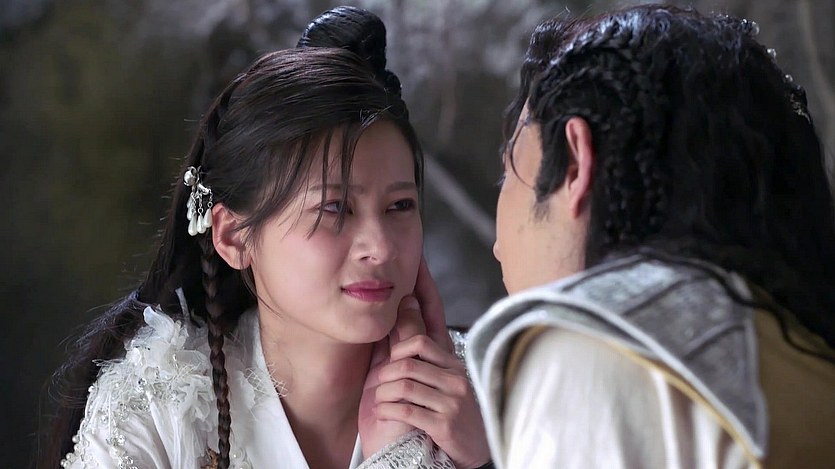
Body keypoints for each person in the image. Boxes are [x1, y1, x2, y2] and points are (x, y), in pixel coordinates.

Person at [43, 6, 490, 469]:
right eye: (334, 208)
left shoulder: (481, 392)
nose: (380, 247)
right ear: (234, 236)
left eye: (400, 206)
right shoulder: (159, 411)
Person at [466, 4, 835, 468]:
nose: (498, 246)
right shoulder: (803, 359)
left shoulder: (594, 351)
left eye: (510, 173)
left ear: (576, 163)